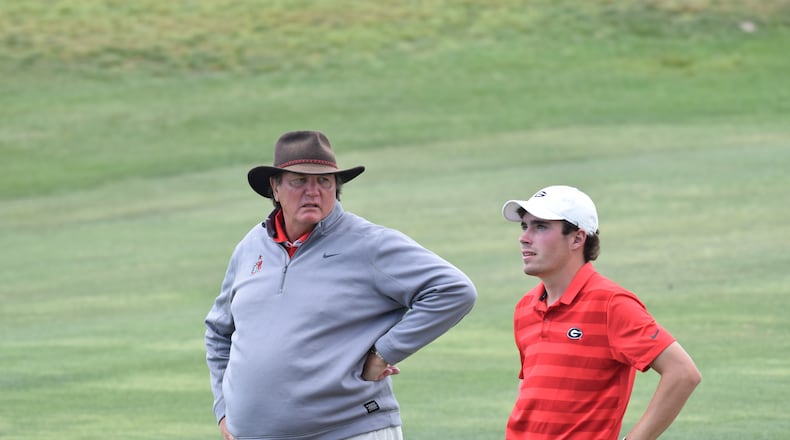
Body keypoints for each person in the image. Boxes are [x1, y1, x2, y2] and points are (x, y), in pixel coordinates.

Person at [205, 130, 477, 440]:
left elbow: (454, 290)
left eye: (324, 181)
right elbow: (218, 331)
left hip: (349, 429)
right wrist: (224, 410)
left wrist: (385, 352)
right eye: (299, 181)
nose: (313, 192)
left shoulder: (368, 244)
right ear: (275, 187)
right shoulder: (252, 246)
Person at [501, 185, 701, 440]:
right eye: (524, 226)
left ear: (577, 238)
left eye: (540, 227)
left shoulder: (612, 304)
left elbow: (683, 373)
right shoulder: (526, 307)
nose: (524, 237)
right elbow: (531, 392)